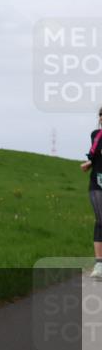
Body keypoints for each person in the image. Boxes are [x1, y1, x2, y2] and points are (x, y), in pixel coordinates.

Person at [81, 106, 102, 279]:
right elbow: (95, 154)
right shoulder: (96, 135)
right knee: (101, 220)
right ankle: (99, 265)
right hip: (97, 182)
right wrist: (89, 163)